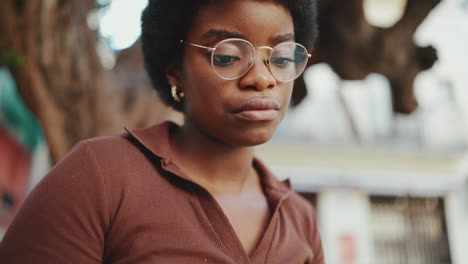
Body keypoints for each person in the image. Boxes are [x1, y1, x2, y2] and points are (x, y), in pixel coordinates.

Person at [0, 0, 324, 263]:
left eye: (281, 59)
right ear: (175, 72)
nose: (262, 78)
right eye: (227, 57)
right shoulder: (100, 176)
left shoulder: (299, 219)